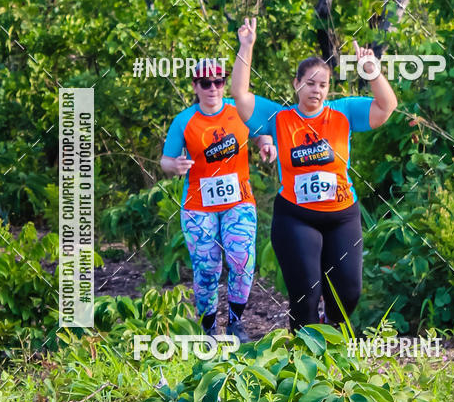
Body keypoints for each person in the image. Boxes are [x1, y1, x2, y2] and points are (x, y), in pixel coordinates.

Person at [231, 18, 397, 332]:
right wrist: (246, 46)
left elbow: (386, 107)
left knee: (349, 293)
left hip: (342, 215)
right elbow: (239, 94)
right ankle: (303, 356)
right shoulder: (280, 118)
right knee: (306, 293)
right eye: (310, 83)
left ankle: (330, 335)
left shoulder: (343, 113)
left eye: (322, 85)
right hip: (296, 217)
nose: (317, 91)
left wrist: (373, 72)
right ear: (297, 84)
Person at [161, 59, 276, 342]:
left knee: (241, 259)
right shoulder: (184, 121)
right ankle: (208, 327)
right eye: (205, 83)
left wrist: (265, 144)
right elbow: (165, 160)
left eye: (219, 81)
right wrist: (174, 166)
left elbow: (261, 133)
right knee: (207, 267)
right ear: (195, 87)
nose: (213, 88)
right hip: (198, 204)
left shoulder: (239, 112)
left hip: (239, 199)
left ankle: (236, 323)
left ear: (225, 83)